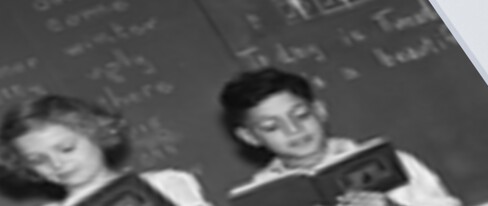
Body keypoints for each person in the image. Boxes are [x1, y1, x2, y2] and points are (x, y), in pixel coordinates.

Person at [219, 67, 461, 206]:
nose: (294, 130)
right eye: (272, 127)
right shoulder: (261, 196)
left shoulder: (392, 162)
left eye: (301, 115)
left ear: (320, 111)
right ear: (250, 137)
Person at [0, 95, 210, 206]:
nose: (57, 164)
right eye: (37, 160)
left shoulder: (165, 184)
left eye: (66, 149)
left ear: (97, 134)